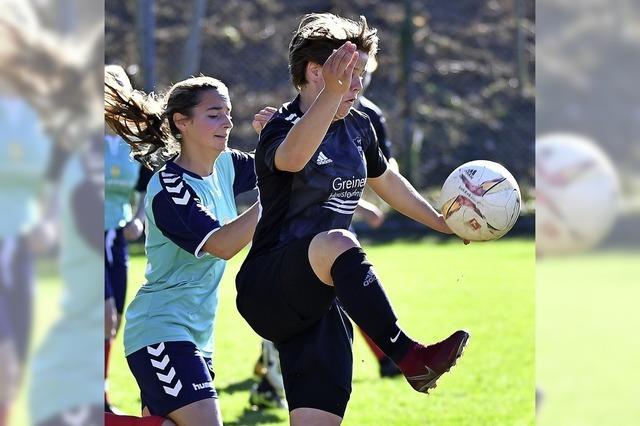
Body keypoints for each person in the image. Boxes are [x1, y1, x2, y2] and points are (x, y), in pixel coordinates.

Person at [236, 13, 470, 425]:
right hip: (269, 283)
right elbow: (292, 158)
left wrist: (439, 221)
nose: (358, 85)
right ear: (314, 72)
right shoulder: (281, 127)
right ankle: (408, 355)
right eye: (350, 74)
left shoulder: (360, 126)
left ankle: (407, 358)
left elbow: (388, 182)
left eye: (361, 74)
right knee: (339, 240)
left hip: (319, 301)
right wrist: (331, 94)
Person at [104, 73, 259, 426]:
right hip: (160, 329)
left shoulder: (226, 165)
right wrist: (270, 202)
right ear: (182, 122)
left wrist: (322, 101)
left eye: (229, 113)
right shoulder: (170, 186)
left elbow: (284, 163)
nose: (228, 122)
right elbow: (221, 245)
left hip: (197, 334)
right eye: (215, 114)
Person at [104, 65, 153, 414]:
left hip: (116, 239)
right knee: (102, 315)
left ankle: (99, 395)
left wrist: (137, 220)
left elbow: (144, 189)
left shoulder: (133, 141)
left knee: (115, 318)